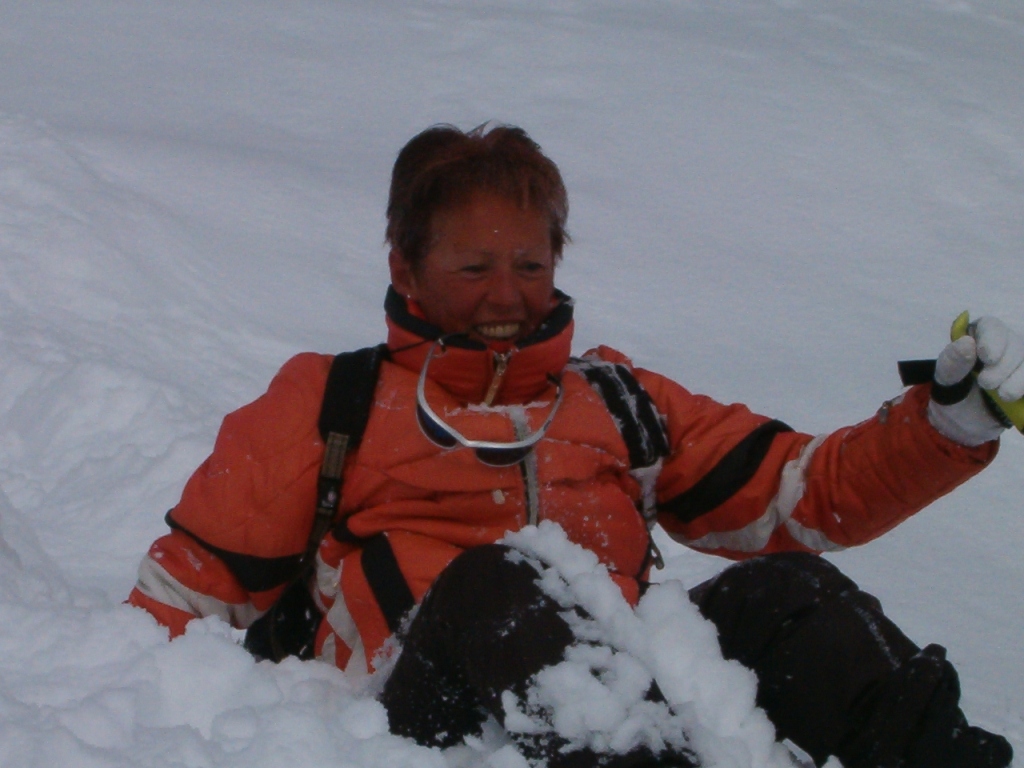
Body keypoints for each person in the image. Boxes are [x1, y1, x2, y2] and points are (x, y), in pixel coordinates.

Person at [128, 123, 1020, 768]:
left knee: (790, 592)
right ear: (406, 268)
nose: (506, 295)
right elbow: (177, 601)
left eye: (530, 265)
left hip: (618, 703)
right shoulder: (335, 403)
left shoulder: (615, 400)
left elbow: (800, 490)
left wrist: (947, 425)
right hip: (412, 718)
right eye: (474, 268)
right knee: (500, 580)